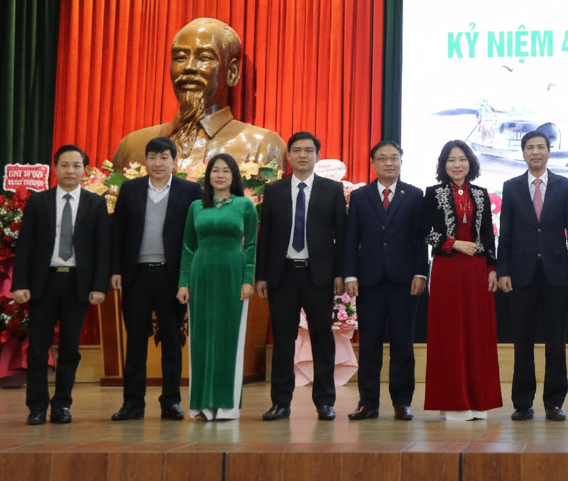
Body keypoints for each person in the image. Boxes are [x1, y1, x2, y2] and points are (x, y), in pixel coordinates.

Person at [12, 144, 110, 425]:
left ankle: (62, 405)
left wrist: (99, 286)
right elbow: (24, 246)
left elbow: (103, 248)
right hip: (43, 283)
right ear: (55, 168)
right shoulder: (38, 202)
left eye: (76, 165)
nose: (70, 170)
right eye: (65, 165)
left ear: (84, 170)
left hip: (77, 285)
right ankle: (37, 407)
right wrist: (20, 283)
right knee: (38, 348)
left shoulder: (95, 203)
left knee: (69, 349)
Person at [111, 18, 285, 174]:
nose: (189, 67)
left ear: (232, 72)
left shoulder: (262, 146)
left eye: (204, 57)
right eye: (180, 57)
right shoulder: (133, 146)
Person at [255, 131, 347, 421]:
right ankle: (280, 402)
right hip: (282, 275)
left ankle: (325, 401)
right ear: (289, 156)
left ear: (317, 156)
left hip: (318, 276)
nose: (303, 155)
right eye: (297, 150)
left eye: (309, 150)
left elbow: (342, 236)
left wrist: (341, 274)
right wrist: (261, 276)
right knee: (283, 341)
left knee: (322, 339)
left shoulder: (332, 190)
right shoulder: (274, 190)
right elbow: (266, 235)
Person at [109, 136, 201, 421]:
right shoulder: (130, 189)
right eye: (152, 157)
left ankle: (171, 402)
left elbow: (195, 236)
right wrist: (116, 270)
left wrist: (188, 278)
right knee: (135, 341)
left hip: (171, 277)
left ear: (174, 161)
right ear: (145, 161)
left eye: (164, 157)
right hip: (136, 275)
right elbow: (118, 232)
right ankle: (132, 403)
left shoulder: (190, 190)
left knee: (172, 340)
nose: (157, 163)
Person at [497, 130, 568, 421]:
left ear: (549, 151)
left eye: (541, 147)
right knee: (522, 342)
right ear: (523, 153)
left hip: (557, 273)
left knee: (556, 342)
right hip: (521, 274)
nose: (535, 152)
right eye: (530, 147)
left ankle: (554, 402)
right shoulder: (511, 187)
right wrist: (503, 269)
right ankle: (523, 403)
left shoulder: (564, 185)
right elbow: (505, 232)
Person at [343, 140, 427, 421]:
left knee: (403, 344)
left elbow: (420, 239)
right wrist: (351, 274)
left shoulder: (414, 195)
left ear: (401, 161)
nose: (389, 162)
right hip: (369, 281)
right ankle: (368, 403)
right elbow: (351, 238)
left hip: (405, 281)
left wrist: (420, 273)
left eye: (394, 157)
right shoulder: (360, 196)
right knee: (369, 345)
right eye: (382, 158)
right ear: (373, 163)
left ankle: (402, 402)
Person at [421, 140, 503, 420]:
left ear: (471, 163)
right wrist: (453, 243)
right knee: (449, 332)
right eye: (451, 160)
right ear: (443, 165)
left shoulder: (481, 194)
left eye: (462, 159)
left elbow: (489, 234)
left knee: (477, 332)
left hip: (477, 270)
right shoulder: (433, 193)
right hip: (447, 268)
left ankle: (479, 401)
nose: (457, 165)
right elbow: (424, 231)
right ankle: (453, 403)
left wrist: (492, 268)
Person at [176, 153, 257, 421]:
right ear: (208, 175)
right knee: (201, 339)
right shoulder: (196, 206)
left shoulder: (245, 205)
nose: (220, 175)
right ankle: (201, 405)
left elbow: (252, 245)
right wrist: (184, 282)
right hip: (201, 276)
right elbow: (188, 247)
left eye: (226, 171)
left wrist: (248, 279)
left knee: (228, 338)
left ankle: (226, 405)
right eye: (215, 170)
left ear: (234, 176)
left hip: (232, 275)